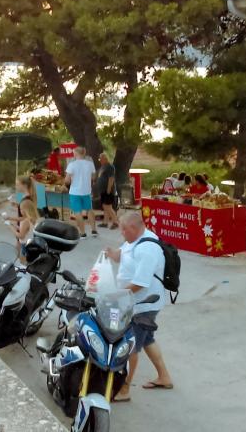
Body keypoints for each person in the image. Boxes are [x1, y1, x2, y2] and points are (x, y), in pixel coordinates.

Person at [107, 212, 173, 401]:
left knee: (131, 348)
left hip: (143, 305)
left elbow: (140, 283)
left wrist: (115, 295)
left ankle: (124, 390)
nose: (121, 232)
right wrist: (111, 254)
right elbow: (122, 254)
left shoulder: (147, 249)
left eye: (123, 229)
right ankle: (164, 377)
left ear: (134, 228)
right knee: (147, 339)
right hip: (134, 303)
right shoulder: (133, 240)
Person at [64, 146, 98, 237]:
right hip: (86, 191)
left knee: (77, 212)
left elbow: (67, 180)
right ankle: (94, 230)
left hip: (75, 192)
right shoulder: (90, 164)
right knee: (89, 210)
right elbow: (94, 177)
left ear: (75, 153)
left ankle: (83, 233)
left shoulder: (72, 164)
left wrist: (68, 183)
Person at [6, 175, 40, 257]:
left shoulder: (27, 200)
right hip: (22, 225)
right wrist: (16, 205)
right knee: (19, 248)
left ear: (24, 185)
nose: (16, 186)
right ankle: (18, 260)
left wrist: (10, 221)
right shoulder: (26, 197)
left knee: (20, 249)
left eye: (18, 184)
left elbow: (24, 217)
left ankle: (18, 261)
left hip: (23, 226)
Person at [97, 153, 120, 230]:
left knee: (108, 206)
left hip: (108, 190)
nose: (100, 161)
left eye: (101, 159)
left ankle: (115, 222)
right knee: (105, 206)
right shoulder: (103, 167)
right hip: (103, 190)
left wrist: (109, 189)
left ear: (105, 159)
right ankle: (105, 222)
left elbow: (111, 178)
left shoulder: (110, 166)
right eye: (99, 159)